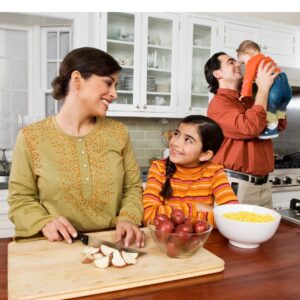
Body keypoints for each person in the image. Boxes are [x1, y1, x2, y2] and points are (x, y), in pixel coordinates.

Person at [8, 47, 145, 248]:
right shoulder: (30, 137)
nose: (114, 94)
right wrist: (44, 221)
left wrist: (127, 218)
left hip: (111, 243)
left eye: (116, 86)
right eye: (108, 83)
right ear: (77, 80)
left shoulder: (119, 133)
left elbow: (132, 188)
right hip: (55, 247)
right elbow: (21, 199)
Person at [205, 52, 287, 208]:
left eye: (237, 61)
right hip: (236, 185)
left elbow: (279, 124)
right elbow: (250, 127)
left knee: (262, 231)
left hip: (263, 184)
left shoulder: (249, 101)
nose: (238, 64)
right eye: (231, 62)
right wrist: (263, 89)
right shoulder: (218, 104)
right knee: (235, 231)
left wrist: (278, 94)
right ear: (218, 73)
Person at [143, 115, 238, 226]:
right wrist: (196, 207)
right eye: (176, 134)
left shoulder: (215, 172)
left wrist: (176, 216)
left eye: (188, 140)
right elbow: (149, 216)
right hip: (166, 241)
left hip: (202, 242)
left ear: (205, 155)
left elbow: (232, 216)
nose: (175, 143)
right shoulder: (158, 168)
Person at [237, 40, 292, 139]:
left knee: (270, 106)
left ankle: (271, 129)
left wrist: (245, 94)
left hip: (276, 86)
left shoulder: (252, 62)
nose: (245, 65)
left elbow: (248, 78)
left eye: (243, 62)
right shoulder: (267, 59)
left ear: (248, 53)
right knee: (281, 107)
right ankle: (277, 121)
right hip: (285, 85)